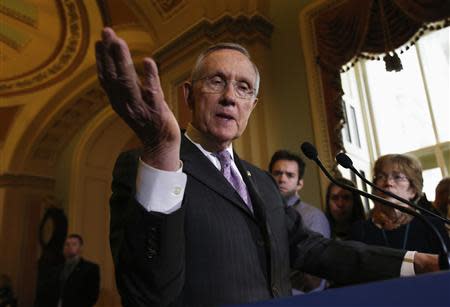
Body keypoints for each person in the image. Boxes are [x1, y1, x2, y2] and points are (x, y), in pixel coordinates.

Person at [96, 27, 441, 306]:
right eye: (216, 81)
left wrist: (413, 263)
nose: (230, 96)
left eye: (243, 87)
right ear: (188, 95)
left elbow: (315, 248)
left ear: (252, 105)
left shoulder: (261, 181)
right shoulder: (147, 165)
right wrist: (162, 151)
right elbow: (146, 292)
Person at [350, 154, 450, 254]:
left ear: (413, 190)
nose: (388, 182)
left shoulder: (432, 227)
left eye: (397, 177)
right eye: (381, 176)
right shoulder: (359, 230)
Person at [269, 150, 330, 294]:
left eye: (290, 175)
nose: (282, 179)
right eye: (277, 173)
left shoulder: (313, 216)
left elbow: (315, 278)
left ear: (300, 184)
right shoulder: (261, 211)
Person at [34, 234, 100, 307]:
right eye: (67, 244)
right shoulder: (56, 269)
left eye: (74, 244)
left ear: (81, 248)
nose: (69, 247)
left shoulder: (90, 269)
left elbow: (92, 296)